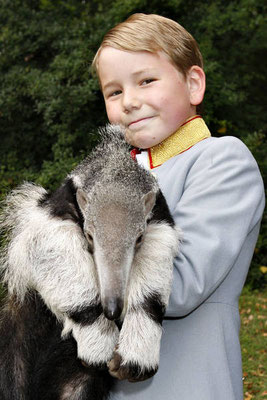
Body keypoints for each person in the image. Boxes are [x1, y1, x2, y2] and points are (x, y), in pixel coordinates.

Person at [91, 13, 265, 400]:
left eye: (146, 81)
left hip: (189, 384)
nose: (130, 102)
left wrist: (68, 262)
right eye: (113, 92)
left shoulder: (222, 160)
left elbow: (180, 283)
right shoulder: (109, 176)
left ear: (193, 83)